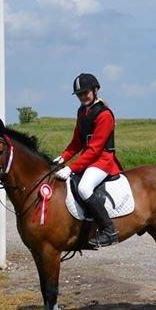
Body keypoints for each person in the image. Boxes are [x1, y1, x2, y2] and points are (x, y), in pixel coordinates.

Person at [54, 72, 121, 247]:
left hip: (103, 160)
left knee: (84, 188)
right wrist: (62, 158)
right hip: (90, 159)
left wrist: (71, 168)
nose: (83, 97)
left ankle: (109, 230)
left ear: (95, 90)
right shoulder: (82, 112)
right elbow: (77, 142)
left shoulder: (104, 114)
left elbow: (95, 148)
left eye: (85, 92)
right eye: (79, 94)